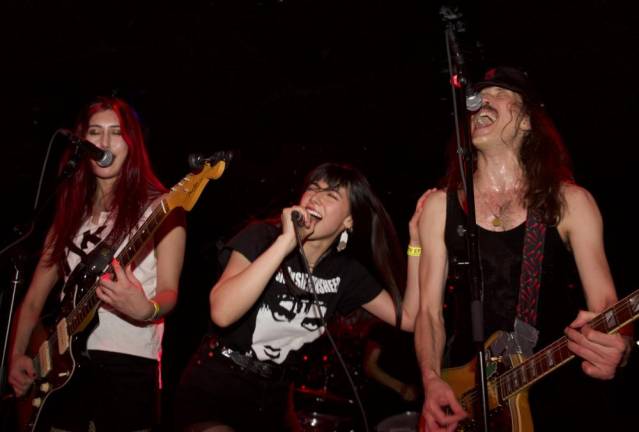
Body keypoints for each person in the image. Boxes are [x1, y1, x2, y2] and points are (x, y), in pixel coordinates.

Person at [414, 67, 632, 431]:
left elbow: (607, 310)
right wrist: (431, 379)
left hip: (552, 399)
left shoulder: (571, 202)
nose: (480, 101)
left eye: (499, 94)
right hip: (466, 400)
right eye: (476, 97)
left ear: (528, 122)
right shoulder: (440, 207)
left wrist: (621, 350)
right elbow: (428, 313)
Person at [174, 162, 425, 432]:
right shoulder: (262, 237)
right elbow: (222, 313)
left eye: (331, 195)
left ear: (349, 221)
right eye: (313, 188)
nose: (316, 197)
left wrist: (416, 244)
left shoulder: (346, 273)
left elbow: (409, 319)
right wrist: (285, 243)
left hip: (275, 395)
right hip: (218, 383)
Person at [8, 96, 186, 431]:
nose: (104, 142)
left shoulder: (162, 207)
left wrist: (145, 309)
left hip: (128, 362)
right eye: (95, 132)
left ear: (131, 144)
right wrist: (16, 355)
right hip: (63, 366)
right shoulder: (68, 215)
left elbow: (169, 293)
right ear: (83, 142)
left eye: (116, 132)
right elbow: (33, 299)